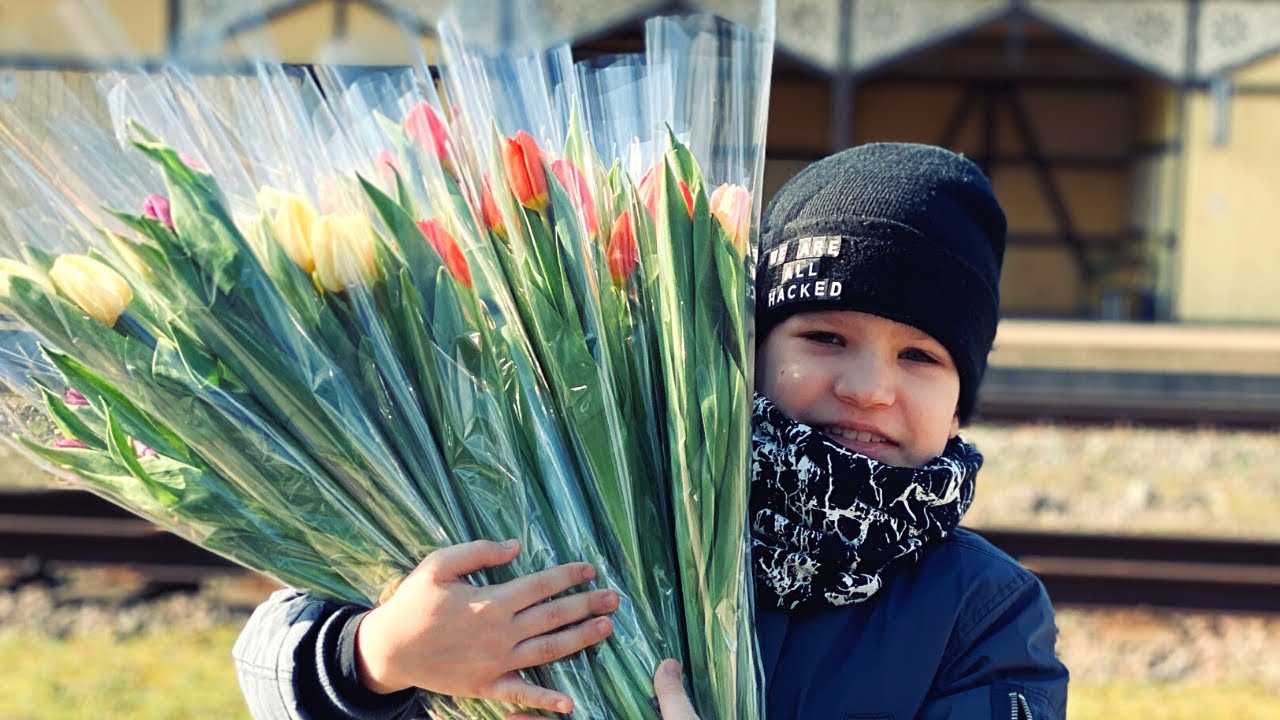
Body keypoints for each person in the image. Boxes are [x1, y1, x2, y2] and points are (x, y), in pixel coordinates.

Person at [233, 142, 1069, 719]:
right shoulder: (604, 485)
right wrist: (376, 655)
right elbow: (268, 655)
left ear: (962, 399)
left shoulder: (982, 613)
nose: (866, 388)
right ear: (747, 349)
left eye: (920, 356)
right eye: (824, 338)